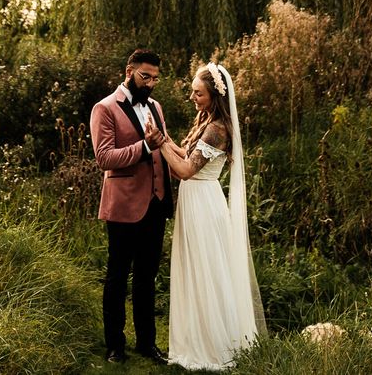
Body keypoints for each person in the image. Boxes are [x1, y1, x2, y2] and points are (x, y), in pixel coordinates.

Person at [146, 62, 266, 370]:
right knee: (196, 270)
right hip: (195, 201)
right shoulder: (205, 120)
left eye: (198, 93)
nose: (192, 97)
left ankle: (213, 345)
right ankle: (195, 336)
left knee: (207, 271)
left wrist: (158, 144)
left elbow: (185, 170)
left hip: (204, 204)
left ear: (214, 96)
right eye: (192, 91)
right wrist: (162, 138)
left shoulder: (216, 130)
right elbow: (184, 155)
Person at [90, 48, 174, 364]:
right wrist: (143, 147)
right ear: (130, 71)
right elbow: (104, 158)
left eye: (155, 78)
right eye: (145, 76)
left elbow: (164, 149)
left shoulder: (156, 107)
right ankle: (115, 345)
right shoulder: (105, 108)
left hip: (156, 203)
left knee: (146, 277)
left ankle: (147, 344)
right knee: (117, 276)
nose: (151, 84)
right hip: (124, 206)